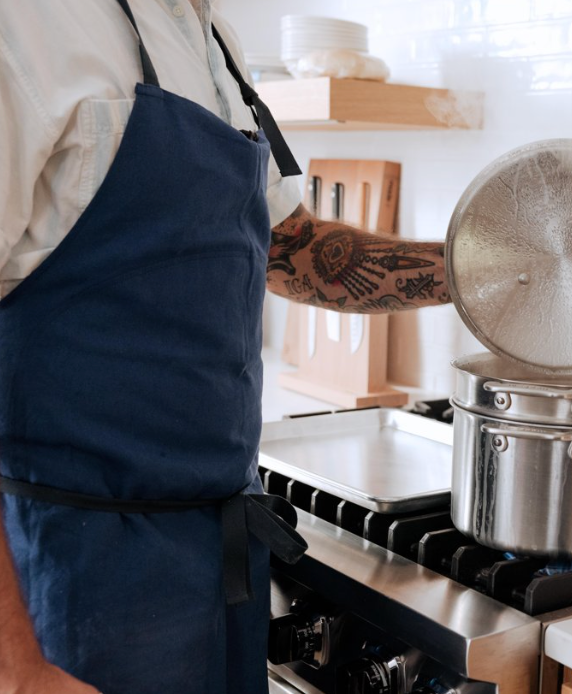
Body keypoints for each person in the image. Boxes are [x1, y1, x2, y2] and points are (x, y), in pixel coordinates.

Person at [0, 2, 449, 692]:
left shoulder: (210, 37)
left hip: (217, 557)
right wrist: (17, 673)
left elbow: (292, 248)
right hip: (71, 578)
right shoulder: (29, 24)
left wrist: (475, 269)